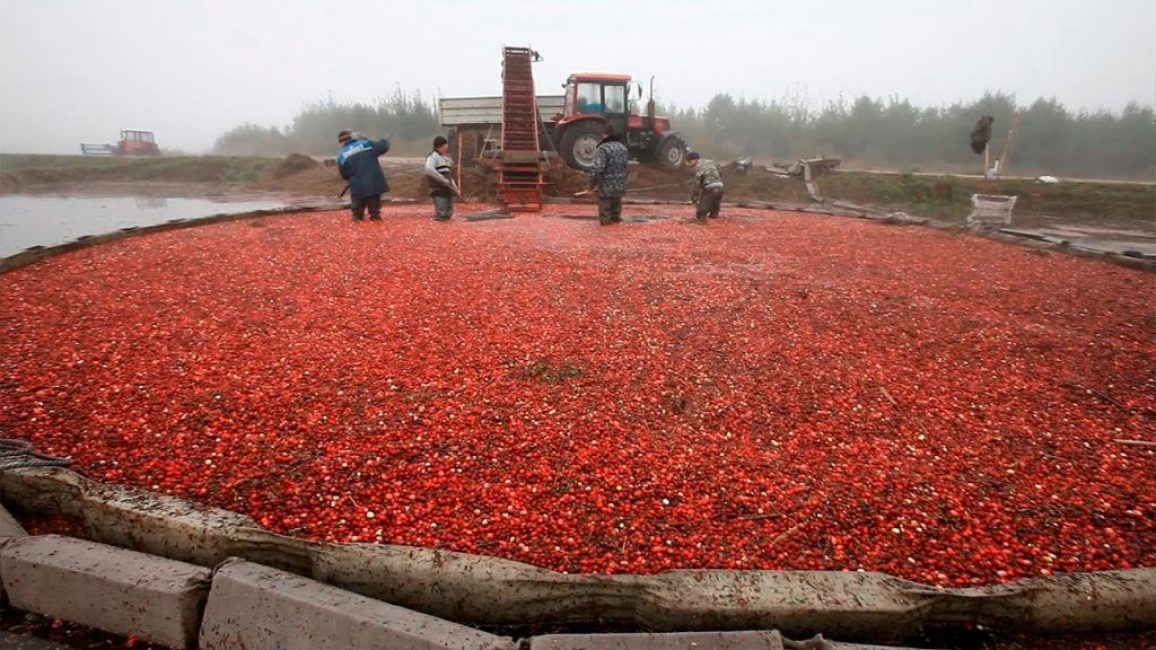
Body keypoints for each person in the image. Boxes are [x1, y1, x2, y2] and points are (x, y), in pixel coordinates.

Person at [336, 129, 391, 222]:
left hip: (356, 186)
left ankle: (357, 220)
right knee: (374, 212)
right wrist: (385, 140)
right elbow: (383, 147)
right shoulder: (366, 144)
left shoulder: (341, 154)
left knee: (357, 213)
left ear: (342, 142)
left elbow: (344, 174)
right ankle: (375, 221)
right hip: (373, 183)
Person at [587, 123, 629, 226]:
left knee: (605, 214)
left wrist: (591, 184)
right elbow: (626, 166)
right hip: (620, 184)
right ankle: (617, 238)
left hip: (606, 186)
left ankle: (605, 234)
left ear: (604, 134)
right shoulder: (622, 147)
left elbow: (598, 168)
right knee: (616, 215)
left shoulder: (603, 148)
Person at [425, 135, 459, 221]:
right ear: (440, 146)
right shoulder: (433, 156)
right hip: (439, 189)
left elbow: (449, 174)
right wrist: (442, 179)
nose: (447, 147)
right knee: (442, 213)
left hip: (447, 189)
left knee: (448, 213)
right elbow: (429, 169)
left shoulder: (445, 158)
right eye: (445, 145)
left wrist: (454, 186)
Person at [686, 151, 724, 220]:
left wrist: (695, 199)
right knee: (714, 212)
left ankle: (702, 221)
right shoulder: (711, 161)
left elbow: (696, 185)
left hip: (710, 189)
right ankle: (714, 221)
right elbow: (720, 171)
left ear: (694, 160)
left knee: (701, 213)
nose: (688, 164)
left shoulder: (698, 167)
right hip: (720, 187)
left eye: (689, 161)